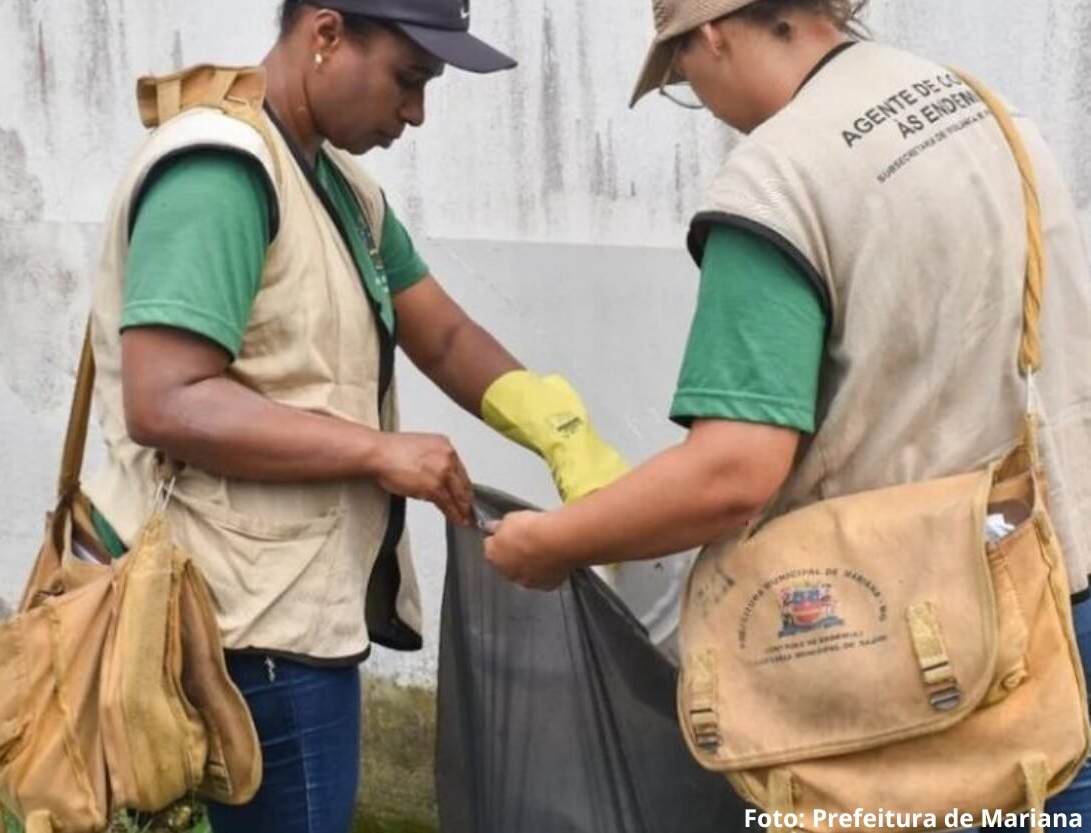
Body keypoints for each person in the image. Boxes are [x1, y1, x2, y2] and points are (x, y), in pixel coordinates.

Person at [483, 0, 1091, 824]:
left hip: (921, 670)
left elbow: (732, 474)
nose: (697, 93)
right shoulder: (985, 108)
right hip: (1062, 610)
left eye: (681, 76)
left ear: (711, 34)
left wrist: (549, 543)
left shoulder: (778, 180)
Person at [78, 1, 628, 831]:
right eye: (409, 80)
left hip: (290, 607)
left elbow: (438, 331)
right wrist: (376, 451)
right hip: (243, 628)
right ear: (326, 34)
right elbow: (167, 398)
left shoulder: (339, 186)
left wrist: (560, 429)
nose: (416, 112)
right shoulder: (221, 173)